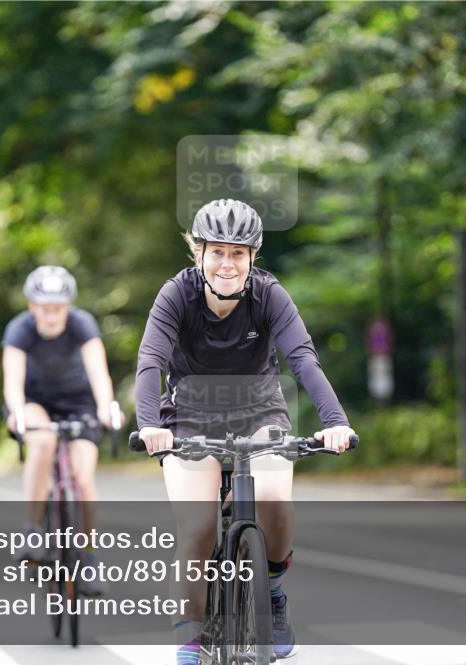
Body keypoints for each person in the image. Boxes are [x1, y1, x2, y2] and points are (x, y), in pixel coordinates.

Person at [135, 199, 355, 662]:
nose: (227, 264)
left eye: (238, 253)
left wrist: (335, 423)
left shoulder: (270, 295)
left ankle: (272, 591)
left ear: (253, 257)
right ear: (197, 253)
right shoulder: (176, 295)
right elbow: (150, 361)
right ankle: (189, 646)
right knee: (197, 528)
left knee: (275, 500)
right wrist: (150, 425)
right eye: (217, 252)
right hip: (189, 420)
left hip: (260, 412)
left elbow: (302, 361)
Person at [2, 265, 122, 596]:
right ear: (32, 306)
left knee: (83, 478)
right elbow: (12, 381)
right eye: (44, 307)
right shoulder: (19, 330)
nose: (52, 315)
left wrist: (107, 407)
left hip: (78, 403)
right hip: (34, 401)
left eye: (58, 308)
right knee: (42, 441)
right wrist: (16, 412)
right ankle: (31, 529)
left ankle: (89, 557)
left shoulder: (82, 325)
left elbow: (99, 374)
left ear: (68, 307)